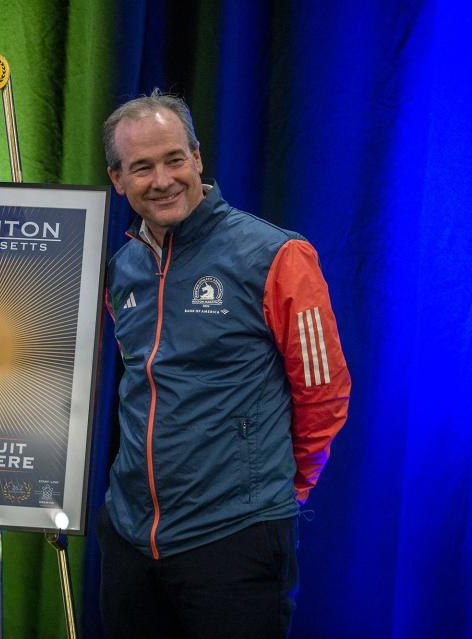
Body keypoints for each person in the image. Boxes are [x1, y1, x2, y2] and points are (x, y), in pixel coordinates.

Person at [98, 90, 351, 639]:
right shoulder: (123, 268)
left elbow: (323, 395)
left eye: (173, 159)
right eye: (141, 167)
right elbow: (140, 384)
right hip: (130, 538)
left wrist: (276, 492)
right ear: (118, 179)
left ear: (197, 158)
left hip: (234, 536)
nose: (162, 179)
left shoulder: (277, 255)